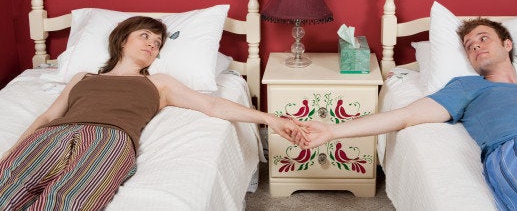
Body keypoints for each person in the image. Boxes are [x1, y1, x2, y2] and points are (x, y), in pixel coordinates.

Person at [295, 18, 517, 210]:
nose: (476, 47)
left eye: (483, 38)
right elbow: (408, 115)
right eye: (470, 46)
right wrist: (333, 131)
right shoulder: (468, 86)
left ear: (507, 45)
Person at [0, 16, 302, 210]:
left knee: (71, 198)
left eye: (157, 43)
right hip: (54, 135)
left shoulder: (158, 83)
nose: (152, 45)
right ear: (122, 40)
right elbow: (48, 117)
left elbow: (212, 105)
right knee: (8, 184)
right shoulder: (82, 77)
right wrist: (15, 150)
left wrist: (269, 119)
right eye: (145, 36)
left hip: (110, 139)